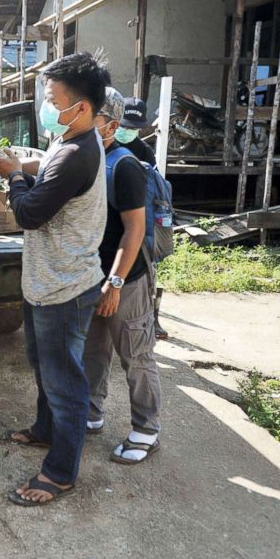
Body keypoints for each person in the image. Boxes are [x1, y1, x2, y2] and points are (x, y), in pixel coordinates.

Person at [0, 51, 110, 507]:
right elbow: (49, 169)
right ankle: (45, 430)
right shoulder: (71, 139)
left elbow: (31, 214)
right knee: (44, 366)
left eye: (52, 97)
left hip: (64, 286)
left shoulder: (78, 153)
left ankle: (60, 473)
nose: (45, 103)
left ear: (80, 106)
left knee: (65, 382)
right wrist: (23, 165)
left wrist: (15, 176)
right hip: (46, 281)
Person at [83, 87, 164, 465]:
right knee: (94, 351)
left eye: (89, 116)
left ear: (110, 125)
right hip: (93, 277)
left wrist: (115, 282)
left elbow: (134, 230)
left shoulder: (124, 164)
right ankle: (92, 412)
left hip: (125, 280)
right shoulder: (92, 159)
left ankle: (146, 430)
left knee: (136, 354)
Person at [118, 96, 169, 340]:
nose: (128, 131)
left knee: (147, 270)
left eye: (133, 128)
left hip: (139, 218)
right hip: (111, 217)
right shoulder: (104, 144)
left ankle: (151, 318)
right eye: (125, 126)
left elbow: (156, 190)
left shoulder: (145, 151)